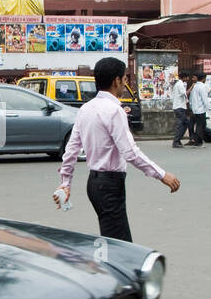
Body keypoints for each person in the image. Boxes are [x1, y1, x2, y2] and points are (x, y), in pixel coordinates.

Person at [56, 57, 179, 241]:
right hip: (110, 185)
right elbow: (130, 152)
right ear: (116, 81)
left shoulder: (86, 109)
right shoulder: (114, 111)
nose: (125, 83)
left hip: (94, 184)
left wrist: (66, 183)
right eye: (124, 79)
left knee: (113, 240)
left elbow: (71, 150)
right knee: (120, 246)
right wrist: (161, 174)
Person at [187, 71, 209, 146]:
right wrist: (209, 108)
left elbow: (191, 99)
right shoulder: (202, 86)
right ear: (203, 79)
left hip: (194, 109)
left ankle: (195, 139)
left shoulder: (195, 86)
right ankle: (198, 141)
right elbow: (205, 99)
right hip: (201, 109)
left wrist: (191, 106)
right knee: (201, 126)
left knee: (195, 125)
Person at [170, 72, 189, 148]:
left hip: (179, 107)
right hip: (179, 107)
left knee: (184, 124)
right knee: (182, 124)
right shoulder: (180, 84)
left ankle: (178, 140)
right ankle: (176, 141)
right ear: (183, 77)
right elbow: (185, 93)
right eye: (187, 77)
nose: (188, 79)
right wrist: (192, 87)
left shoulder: (179, 84)